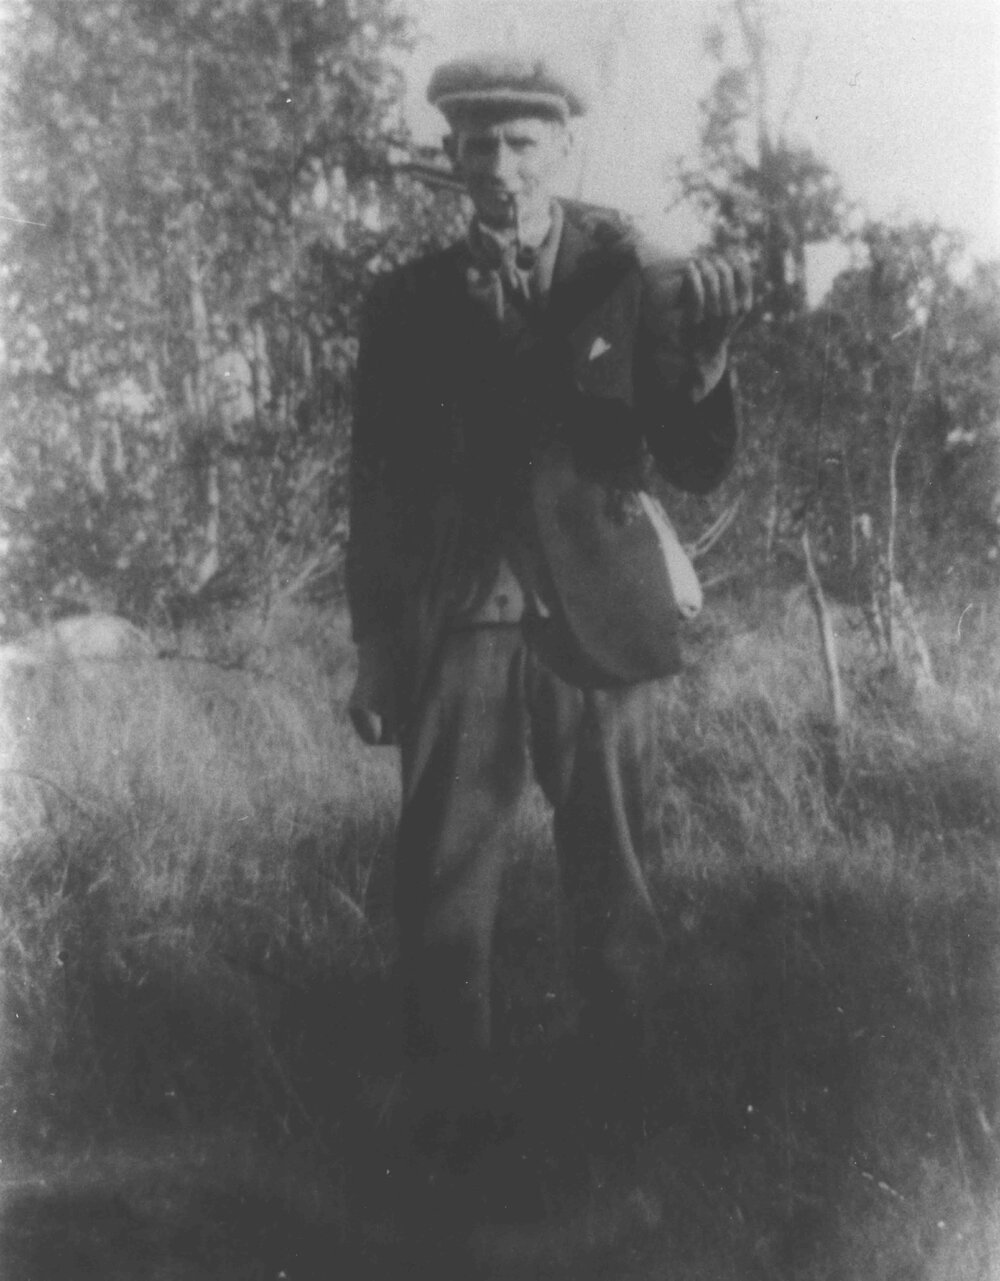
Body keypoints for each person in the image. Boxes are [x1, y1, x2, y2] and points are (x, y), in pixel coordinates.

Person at [346, 51, 751, 1170]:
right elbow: (376, 489)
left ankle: (624, 1125)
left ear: (560, 150)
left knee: (612, 877)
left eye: (523, 144)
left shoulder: (629, 277)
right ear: (451, 159)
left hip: (600, 623)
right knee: (441, 887)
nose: (501, 167)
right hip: (461, 620)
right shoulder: (409, 301)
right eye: (478, 146)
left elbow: (691, 458)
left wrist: (705, 362)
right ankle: (449, 1139)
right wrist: (378, 648)